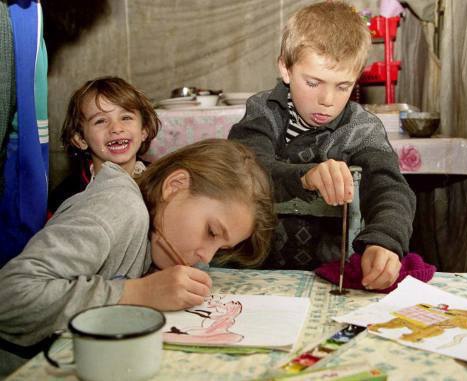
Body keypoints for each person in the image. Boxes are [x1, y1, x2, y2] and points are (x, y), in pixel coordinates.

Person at [0, 139, 274, 363]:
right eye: (211, 232)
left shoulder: (156, 232)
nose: (207, 257)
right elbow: (10, 296)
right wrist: (137, 293)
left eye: (221, 248)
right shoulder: (119, 209)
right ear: (175, 186)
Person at [229, 1, 416, 290]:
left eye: (343, 86)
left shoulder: (361, 128)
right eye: (314, 82)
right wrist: (303, 176)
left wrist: (385, 240)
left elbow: (389, 186)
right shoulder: (263, 111)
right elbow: (245, 169)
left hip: (328, 277)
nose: (328, 99)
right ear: (286, 68)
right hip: (254, 273)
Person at [47, 76, 161, 215]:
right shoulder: (66, 197)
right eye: (100, 121)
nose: (117, 128)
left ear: (144, 130)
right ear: (81, 139)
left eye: (126, 118)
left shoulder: (160, 182)